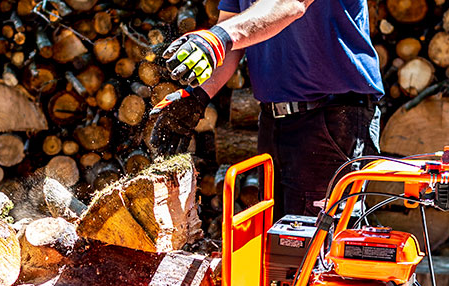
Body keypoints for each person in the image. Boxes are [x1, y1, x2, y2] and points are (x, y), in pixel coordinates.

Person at [149, 0, 384, 218]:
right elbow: (231, 34)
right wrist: (198, 96)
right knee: (278, 239)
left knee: (320, 241)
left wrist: (218, 37)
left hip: (332, 118)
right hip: (275, 120)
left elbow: (291, 4)